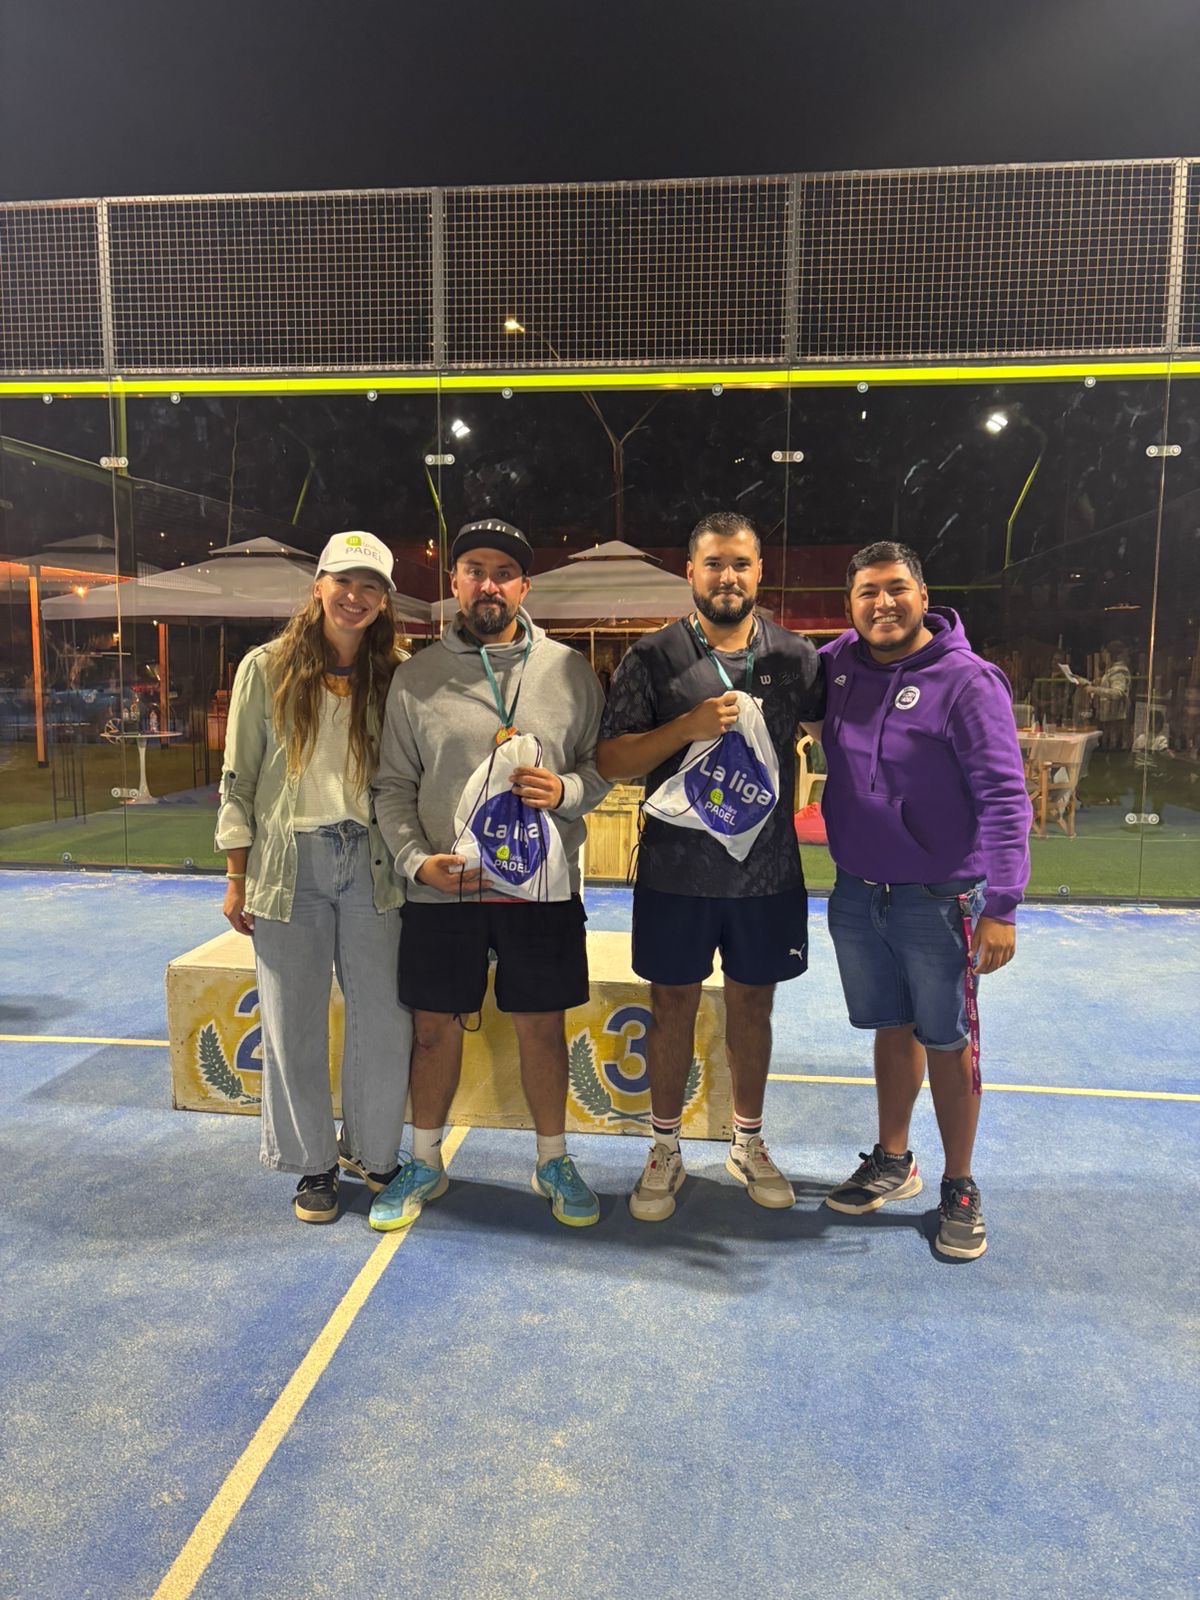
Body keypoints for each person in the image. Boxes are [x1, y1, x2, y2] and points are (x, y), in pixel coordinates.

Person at [370, 518, 610, 1231]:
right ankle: (425, 1160)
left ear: (524, 587)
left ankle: (553, 1160)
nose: (489, 584)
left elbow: (599, 767)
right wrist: (418, 862)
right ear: (455, 582)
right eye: (474, 568)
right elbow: (390, 787)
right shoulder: (416, 677)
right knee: (435, 1029)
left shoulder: (569, 671)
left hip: (541, 891)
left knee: (542, 1025)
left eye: (504, 572)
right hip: (448, 888)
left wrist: (565, 792)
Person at [595, 511, 826, 1222]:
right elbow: (611, 761)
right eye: (714, 564)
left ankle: (747, 1142)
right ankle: (665, 1149)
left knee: (754, 1006)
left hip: (766, 875)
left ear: (759, 573)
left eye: (742, 564)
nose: (728, 577)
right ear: (691, 574)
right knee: (671, 1007)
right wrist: (685, 729)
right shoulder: (652, 658)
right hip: (674, 872)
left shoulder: (797, 658)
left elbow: (831, 739)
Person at [815, 540, 1031, 1260]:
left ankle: (960, 1183)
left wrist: (1002, 904)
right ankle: (893, 1160)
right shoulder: (837, 665)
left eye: (896, 588)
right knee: (891, 1026)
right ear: (850, 605)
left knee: (946, 1039)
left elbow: (1005, 795)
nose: (883, 603)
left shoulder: (968, 681)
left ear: (922, 593)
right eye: (867, 591)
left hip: (941, 898)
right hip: (858, 891)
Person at [217, 531, 413, 1224]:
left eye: (370, 586)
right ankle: (313, 1166)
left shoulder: (398, 672)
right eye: (343, 581)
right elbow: (238, 780)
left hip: (372, 862)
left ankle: (375, 1151)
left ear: (384, 598)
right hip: (286, 864)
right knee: (292, 1021)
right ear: (319, 585)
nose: (355, 597)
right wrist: (237, 875)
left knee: (386, 1018)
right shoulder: (264, 668)